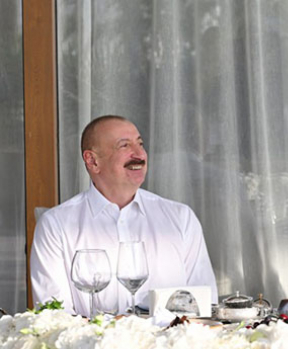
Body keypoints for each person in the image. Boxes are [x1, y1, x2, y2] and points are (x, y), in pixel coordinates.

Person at [31, 115, 218, 316]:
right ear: (92, 161)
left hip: (174, 336)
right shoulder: (56, 225)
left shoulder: (181, 218)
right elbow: (54, 315)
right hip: (92, 337)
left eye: (140, 144)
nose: (139, 154)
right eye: (124, 145)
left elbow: (205, 305)